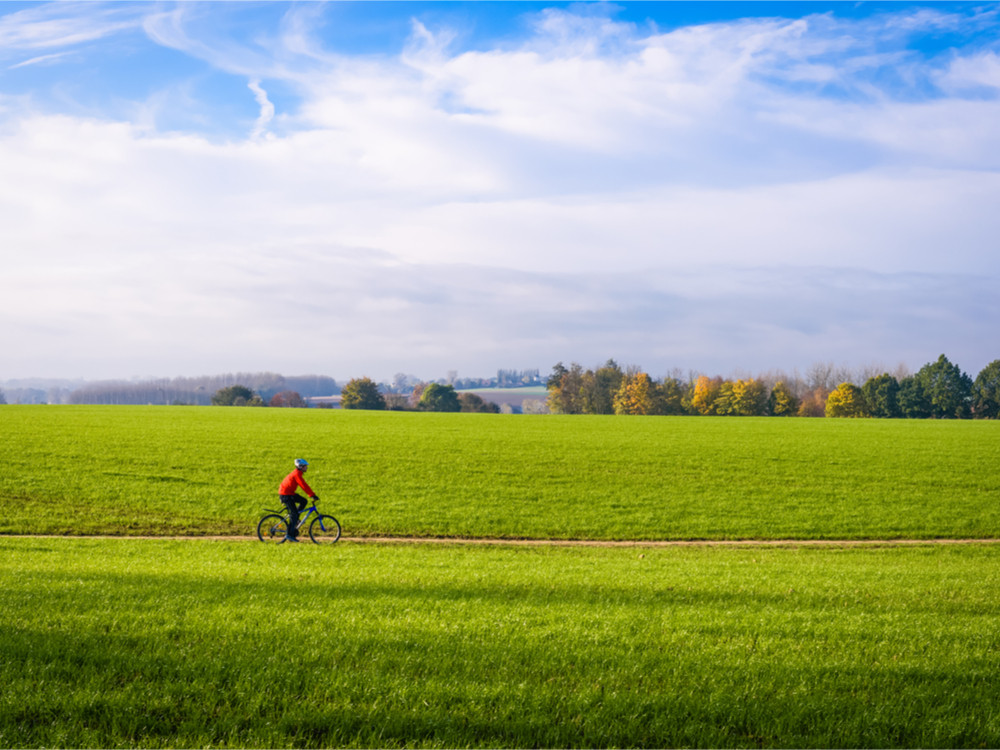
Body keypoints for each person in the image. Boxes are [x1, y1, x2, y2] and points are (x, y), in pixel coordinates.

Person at [278, 458, 318, 542]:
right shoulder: (297, 474)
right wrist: (312, 495)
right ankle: (289, 534)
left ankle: (296, 520)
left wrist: (311, 495)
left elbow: (304, 485)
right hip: (286, 495)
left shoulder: (298, 473)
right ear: (300, 467)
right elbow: (304, 485)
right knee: (294, 514)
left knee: (304, 501)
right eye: (305, 466)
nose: (306, 467)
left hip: (289, 493)